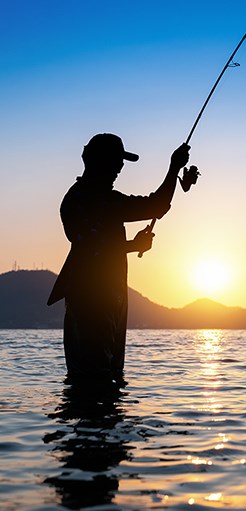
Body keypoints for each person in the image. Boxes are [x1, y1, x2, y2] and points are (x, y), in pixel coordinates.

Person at [48, 133, 198, 382]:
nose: (120, 168)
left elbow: (96, 247)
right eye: (117, 161)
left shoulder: (83, 198)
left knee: (104, 377)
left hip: (105, 299)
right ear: (100, 162)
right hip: (94, 302)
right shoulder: (96, 199)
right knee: (96, 378)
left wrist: (132, 245)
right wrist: (174, 167)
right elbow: (155, 206)